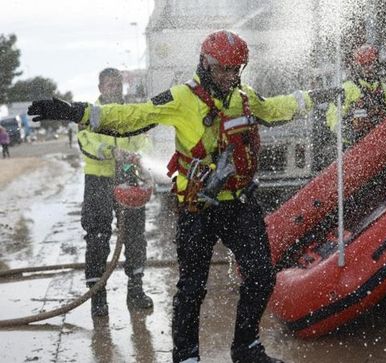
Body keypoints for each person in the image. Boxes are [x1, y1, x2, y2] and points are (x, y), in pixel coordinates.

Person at [29, 30, 322, 363]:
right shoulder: (181, 98)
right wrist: (76, 112)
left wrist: (317, 97)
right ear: (205, 64)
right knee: (192, 288)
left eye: (235, 69)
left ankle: (246, 348)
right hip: (197, 208)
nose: (229, 76)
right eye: (223, 69)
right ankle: (186, 356)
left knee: (260, 276)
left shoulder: (244, 97)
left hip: (240, 204)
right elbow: (133, 117)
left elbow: (273, 109)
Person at [76, 68, 154, 318]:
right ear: (100, 88)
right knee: (98, 235)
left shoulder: (131, 112)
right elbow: (86, 141)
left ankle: (136, 290)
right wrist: (111, 151)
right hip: (99, 180)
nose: (114, 89)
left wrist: (139, 154)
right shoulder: (90, 113)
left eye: (117, 85)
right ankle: (98, 295)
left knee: (134, 235)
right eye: (108, 85)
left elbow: (144, 138)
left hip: (129, 177)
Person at [325, 44, 386, 148]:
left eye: (371, 63)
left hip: (379, 143)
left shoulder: (384, 88)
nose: (368, 68)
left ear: (377, 64)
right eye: (364, 65)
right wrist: (349, 133)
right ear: (358, 66)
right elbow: (332, 118)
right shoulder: (347, 88)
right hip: (353, 147)